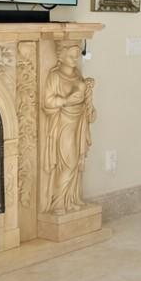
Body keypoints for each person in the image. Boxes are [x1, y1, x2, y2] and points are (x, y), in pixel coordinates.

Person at [43, 45, 95, 213]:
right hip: (63, 124)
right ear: (61, 56)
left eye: (77, 56)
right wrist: (66, 100)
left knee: (77, 162)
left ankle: (70, 200)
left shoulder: (77, 75)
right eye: (72, 56)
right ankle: (58, 202)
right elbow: (48, 102)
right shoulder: (55, 76)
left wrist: (87, 92)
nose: (75, 59)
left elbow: (84, 101)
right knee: (68, 162)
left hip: (78, 121)